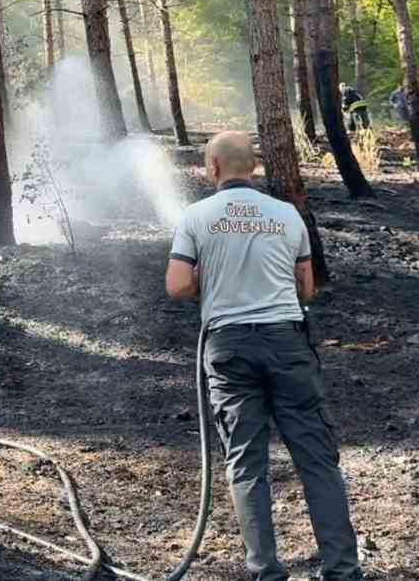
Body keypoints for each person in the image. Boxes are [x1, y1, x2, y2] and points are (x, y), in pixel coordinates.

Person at [166, 132, 365, 581]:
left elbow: (178, 285)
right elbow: (307, 289)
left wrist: (211, 280)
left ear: (213, 167)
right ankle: (343, 570)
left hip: (229, 350)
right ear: (253, 167)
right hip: (287, 346)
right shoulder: (288, 214)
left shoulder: (196, 216)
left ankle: (266, 572)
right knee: (317, 459)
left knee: (246, 462)